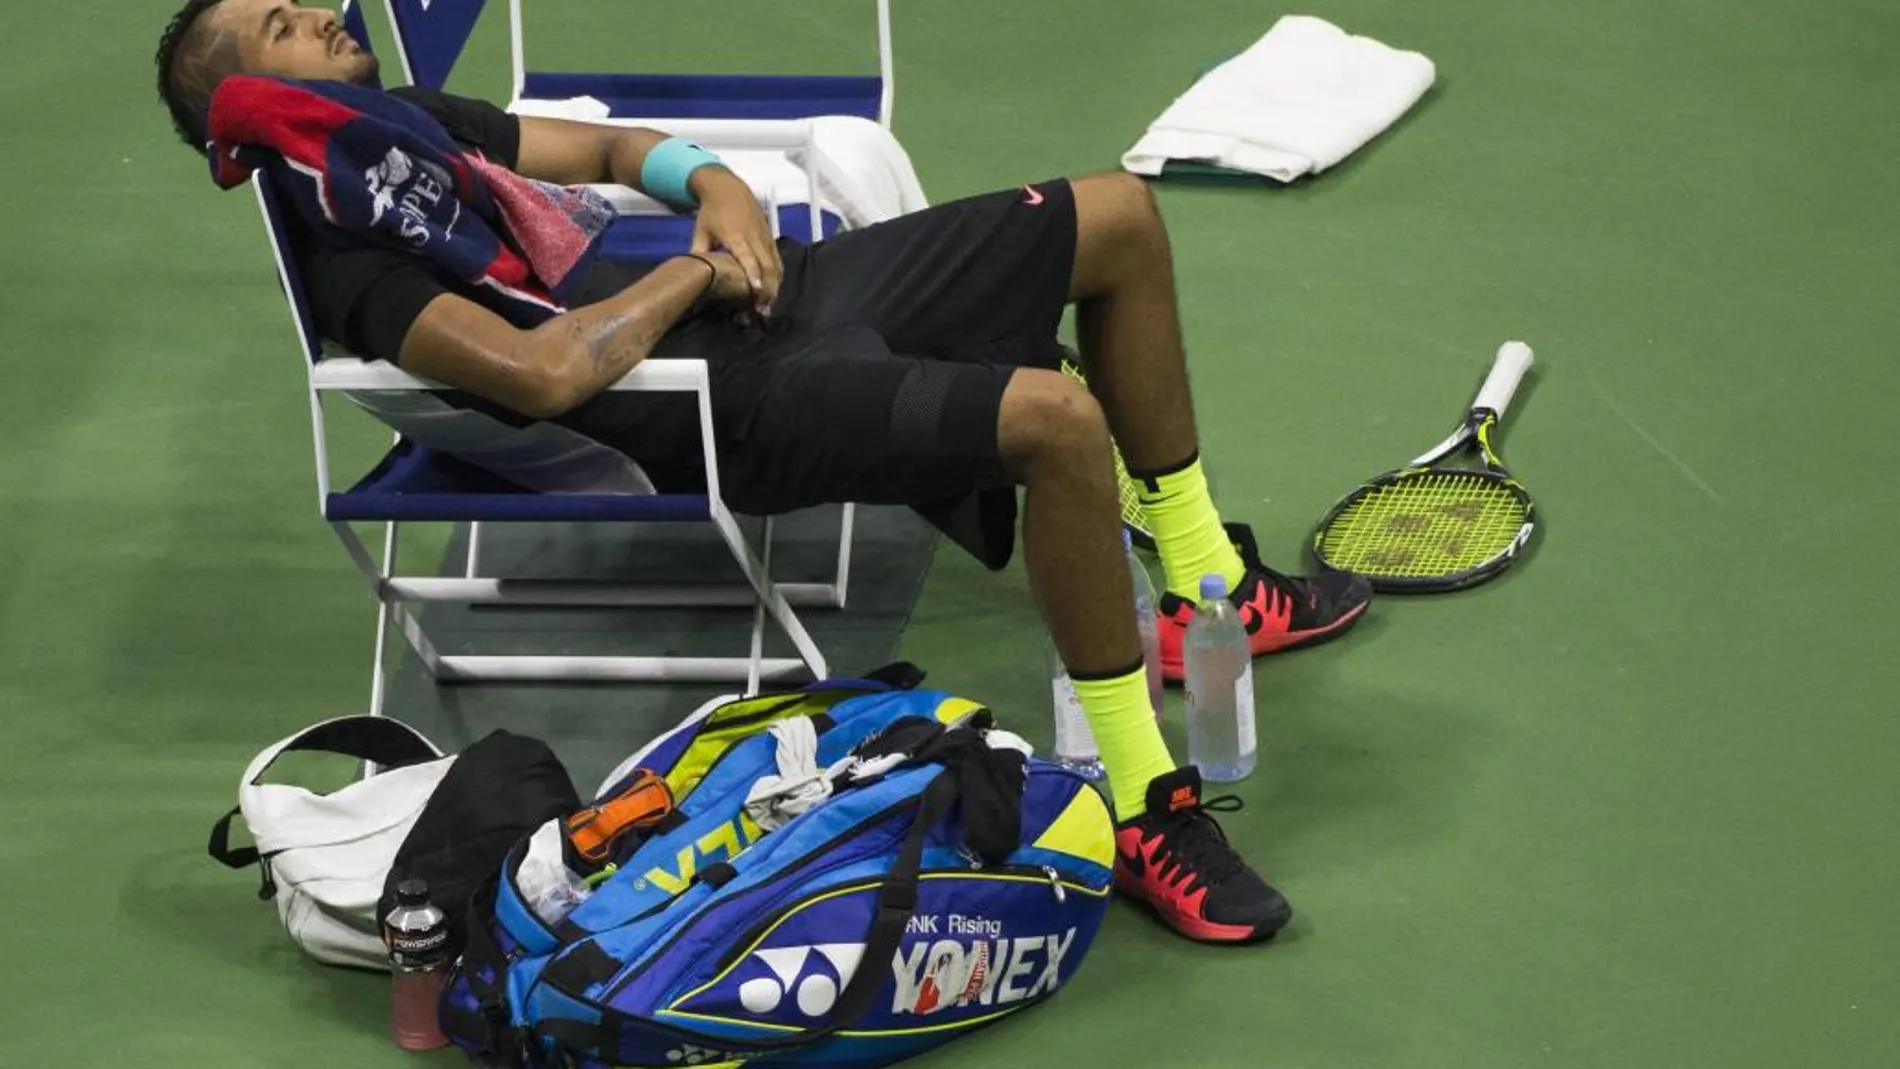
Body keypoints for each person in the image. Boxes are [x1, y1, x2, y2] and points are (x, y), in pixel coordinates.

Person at [155, 0, 1374, 945]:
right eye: (280, 24)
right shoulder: (361, 260)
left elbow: (614, 142)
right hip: (717, 405)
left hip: (756, 307)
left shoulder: (406, 135)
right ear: (251, 102)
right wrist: (700, 268)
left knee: (1117, 215)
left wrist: (717, 189)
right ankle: (1141, 799)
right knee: (1057, 422)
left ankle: (1202, 588)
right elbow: (545, 377)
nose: (323, 13)